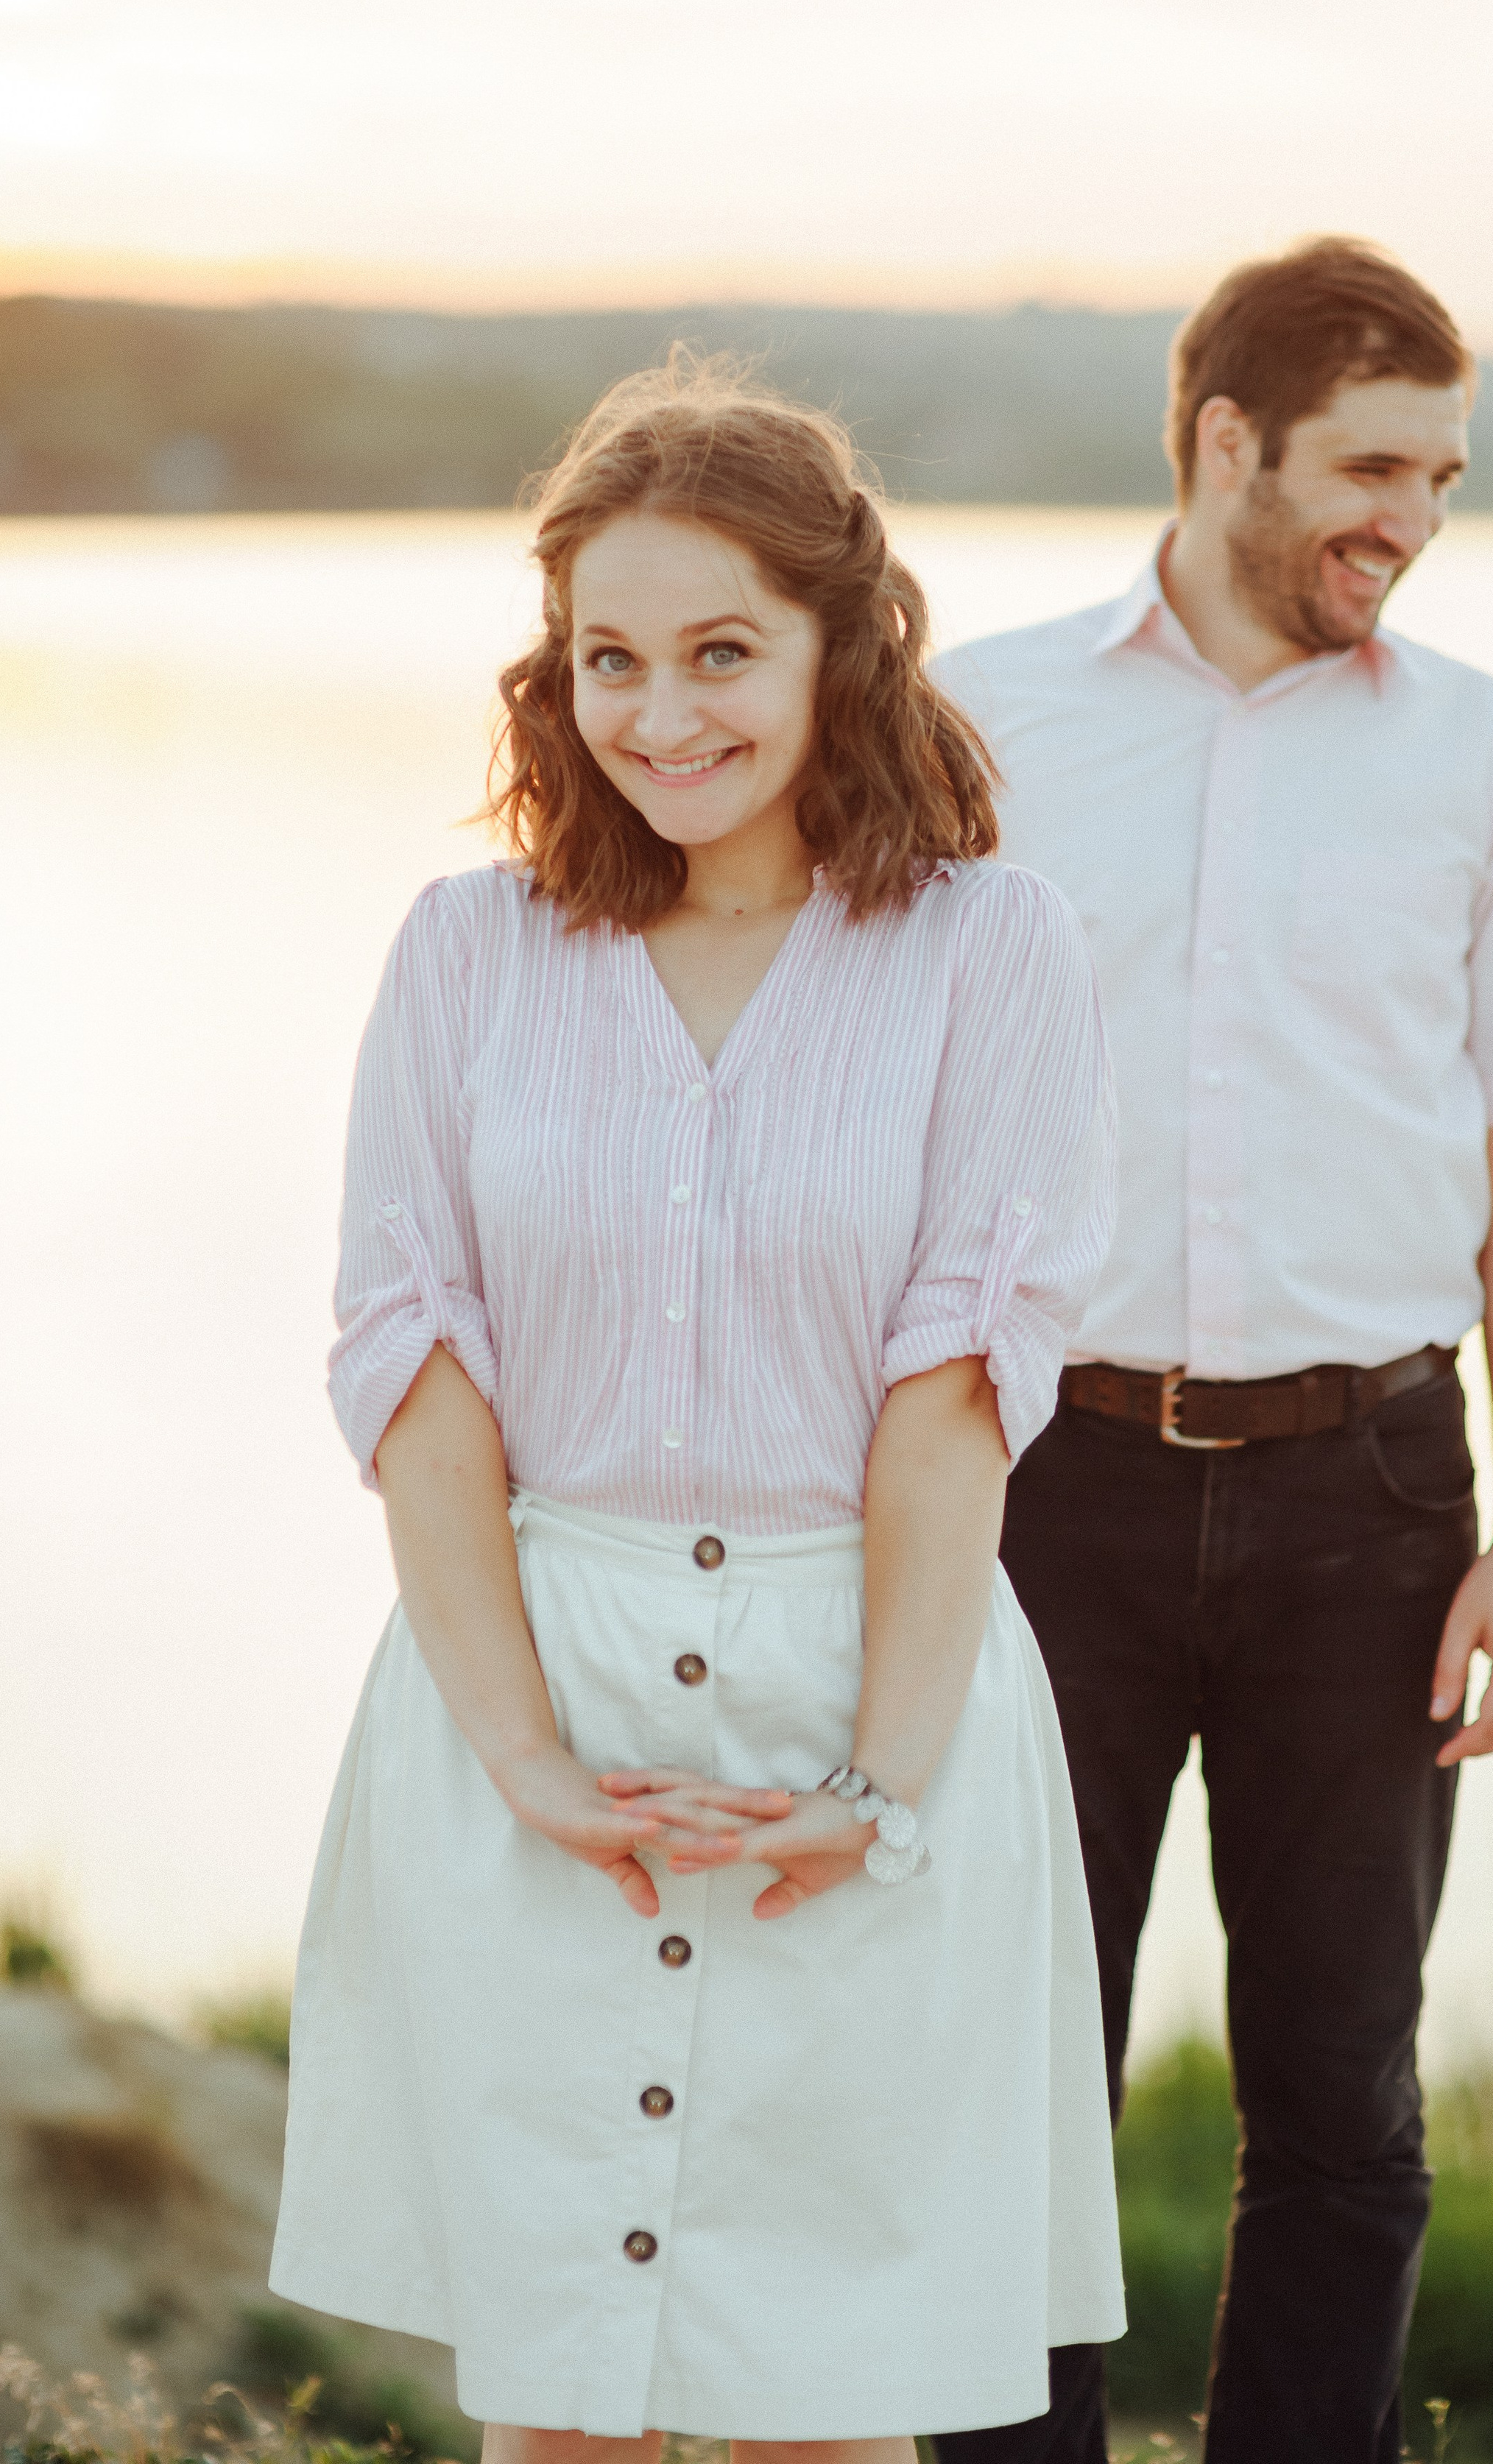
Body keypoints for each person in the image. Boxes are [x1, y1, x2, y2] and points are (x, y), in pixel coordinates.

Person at [269, 356, 1126, 2463]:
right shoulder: (465, 953)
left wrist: (882, 1785)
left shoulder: (991, 951)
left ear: (848, 641)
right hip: (524, 1697)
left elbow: (954, 1400)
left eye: (722, 651)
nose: (660, 715)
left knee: (820, 2409)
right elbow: (418, 1372)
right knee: (561, 2413)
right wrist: (529, 1763)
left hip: (868, 1702)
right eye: (609, 660)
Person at [936, 239, 1493, 2464]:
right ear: (1222, 439)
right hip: (1047, 1490)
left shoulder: (1486, 754)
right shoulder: (983, 724)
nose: (1410, 523)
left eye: (1442, 476)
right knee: (1012, 2075)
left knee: (1346, 2095)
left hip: (1375, 1497)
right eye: (1369, 467)